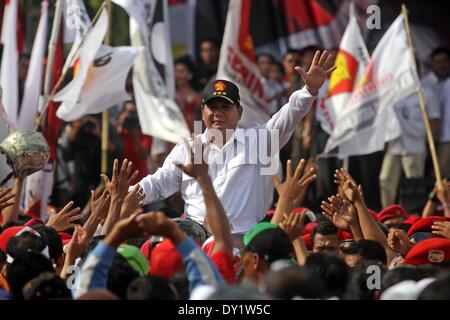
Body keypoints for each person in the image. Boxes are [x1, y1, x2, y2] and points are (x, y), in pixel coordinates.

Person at [137, 50, 336, 243]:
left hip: (245, 242)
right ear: (202, 111)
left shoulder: (259, 141)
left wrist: (308, 91)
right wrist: (126, 195)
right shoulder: (187, 150)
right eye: (212, 107)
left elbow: (289, 115)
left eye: (226, 107)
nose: (218, 113)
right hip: (197, 238)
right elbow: (157, 184)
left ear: (239, 112)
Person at [379, 85, 441, 208]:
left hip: (415, 146)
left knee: (414, 185)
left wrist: (429, 145)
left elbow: (433, 121)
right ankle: (387, 214)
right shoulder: (392, 92)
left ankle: (413, 215)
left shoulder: (426, 92)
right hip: (394, 146)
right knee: (385, 179)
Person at [174, 56, 202, 132]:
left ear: (190, 74)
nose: (177, 75)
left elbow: (199, 120)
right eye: (175, 71)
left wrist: (198, 138)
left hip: (191, 136)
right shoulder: (170, 94)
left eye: (181, 72)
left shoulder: (198, 96)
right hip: (174, 136)